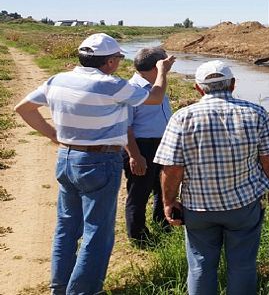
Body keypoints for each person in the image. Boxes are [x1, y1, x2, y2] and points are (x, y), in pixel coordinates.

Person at [14, 33, 175, 295]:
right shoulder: (111, 84)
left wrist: (54, 135)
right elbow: (155, 97)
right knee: (97, 231)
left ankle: (60, 287)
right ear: (110, 62)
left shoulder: (58, 80)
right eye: (118, 59)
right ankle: (83, 291)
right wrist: (162, 70)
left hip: (67, 158)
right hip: (100, 161)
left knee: (67, 227)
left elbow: (23, 108)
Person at [154, 60, 269, 295]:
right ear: (233, 84)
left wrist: (168, 201)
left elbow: (172, 168)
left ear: (198, 88)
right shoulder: (255, 113)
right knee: (243, 265)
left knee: (200, 266)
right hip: (243, 206)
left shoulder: (182, 118)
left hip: (198, 208)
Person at [123, 47, 173, 246]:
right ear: (157, 66)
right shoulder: (132, 90)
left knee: (163, 189)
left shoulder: (157, 85)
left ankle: (163, 226)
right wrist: (134, 155)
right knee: (139, 192)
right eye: (165, 63)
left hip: (162, 144)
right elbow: (124, 128)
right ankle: (138, 237)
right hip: (141, 146)